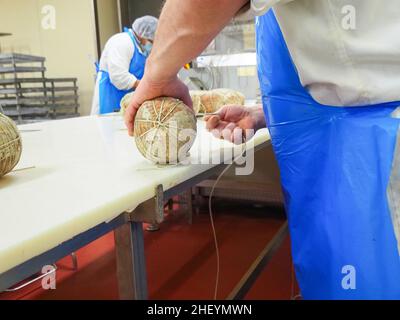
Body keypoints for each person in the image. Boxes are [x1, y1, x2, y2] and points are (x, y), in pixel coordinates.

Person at [124, 0, 400, 299]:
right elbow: (343, 74)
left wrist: (157, 76)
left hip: (378, 158)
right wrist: (266, 114)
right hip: (347, 157)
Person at [91, 15, 158, 115]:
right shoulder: (122, 42)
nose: (152, 45)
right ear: (142, 34)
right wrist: (145, 86)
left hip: (127, 97)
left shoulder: (143, 50)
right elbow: (118, 76)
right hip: (110, 95)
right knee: (107, 126)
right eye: (152, 41)